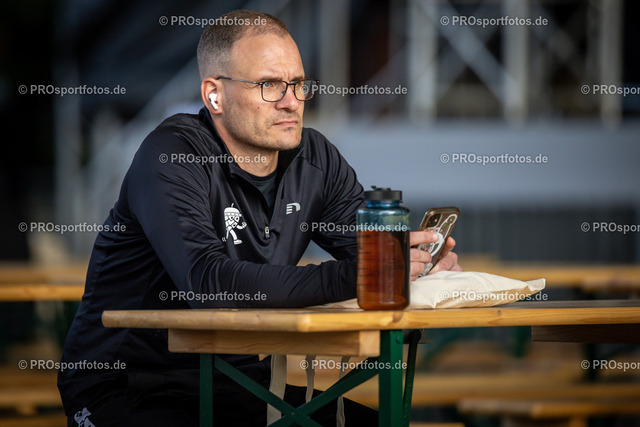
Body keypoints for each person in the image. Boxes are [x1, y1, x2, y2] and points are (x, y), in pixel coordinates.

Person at [58, 9, 462, 426]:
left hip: (237, 382)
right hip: (126, 385)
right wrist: (361, 275)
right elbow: (209, 283)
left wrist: (415, 264)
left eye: (299, 84)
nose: (291, 101)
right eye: (269, 85)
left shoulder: (315, 159)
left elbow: (369, 255)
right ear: (214, 95)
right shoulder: (172, 154)